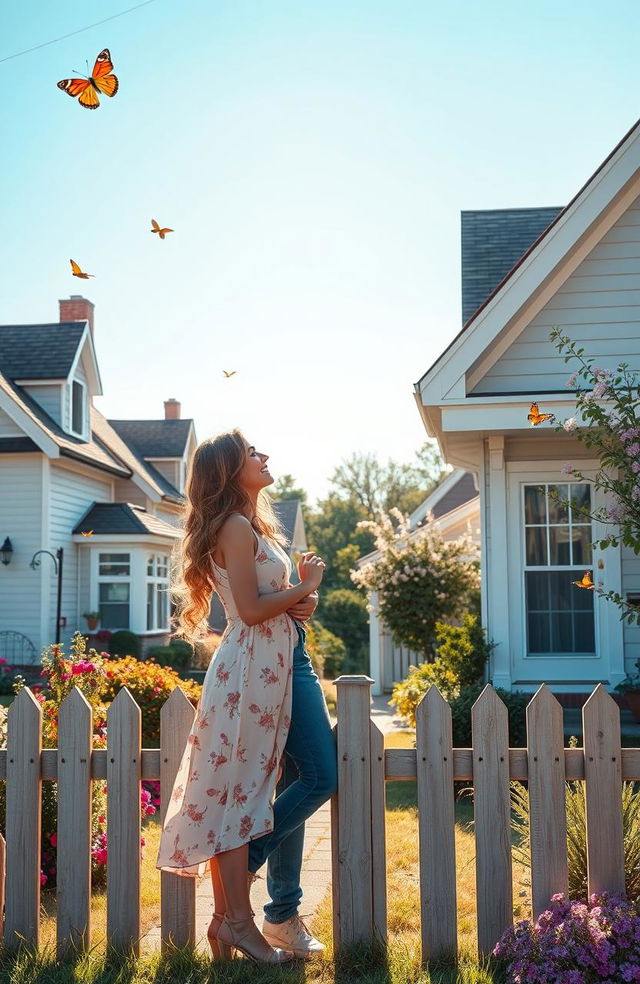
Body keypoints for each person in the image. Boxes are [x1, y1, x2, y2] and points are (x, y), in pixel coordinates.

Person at [156, 430, 338, 963]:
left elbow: (267, 601)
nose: (263, 456)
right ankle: (240, 884)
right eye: (252, 453)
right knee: (308, 778)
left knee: (300, 776)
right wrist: (303, 587)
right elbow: (250, 611)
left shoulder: (253, 525)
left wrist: (301, 601)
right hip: (253, 666)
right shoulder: (233, 526)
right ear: (230, 471)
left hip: (285, 657)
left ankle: (250, 901)